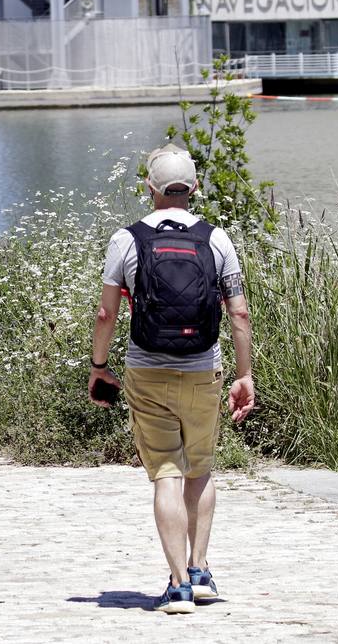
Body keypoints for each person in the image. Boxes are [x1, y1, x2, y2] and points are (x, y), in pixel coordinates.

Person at [88, 144, 256, 615]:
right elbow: (238, 312)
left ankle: (178, 585)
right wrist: (244, 375)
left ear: (149, 187)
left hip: (147, 369)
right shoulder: (217, 240)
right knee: (199, 467)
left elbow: (106, 312)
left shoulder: (127, 239)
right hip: (205, 369)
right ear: (194, 188)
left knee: (165, 472)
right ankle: (201, 572)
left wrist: (99, 367)